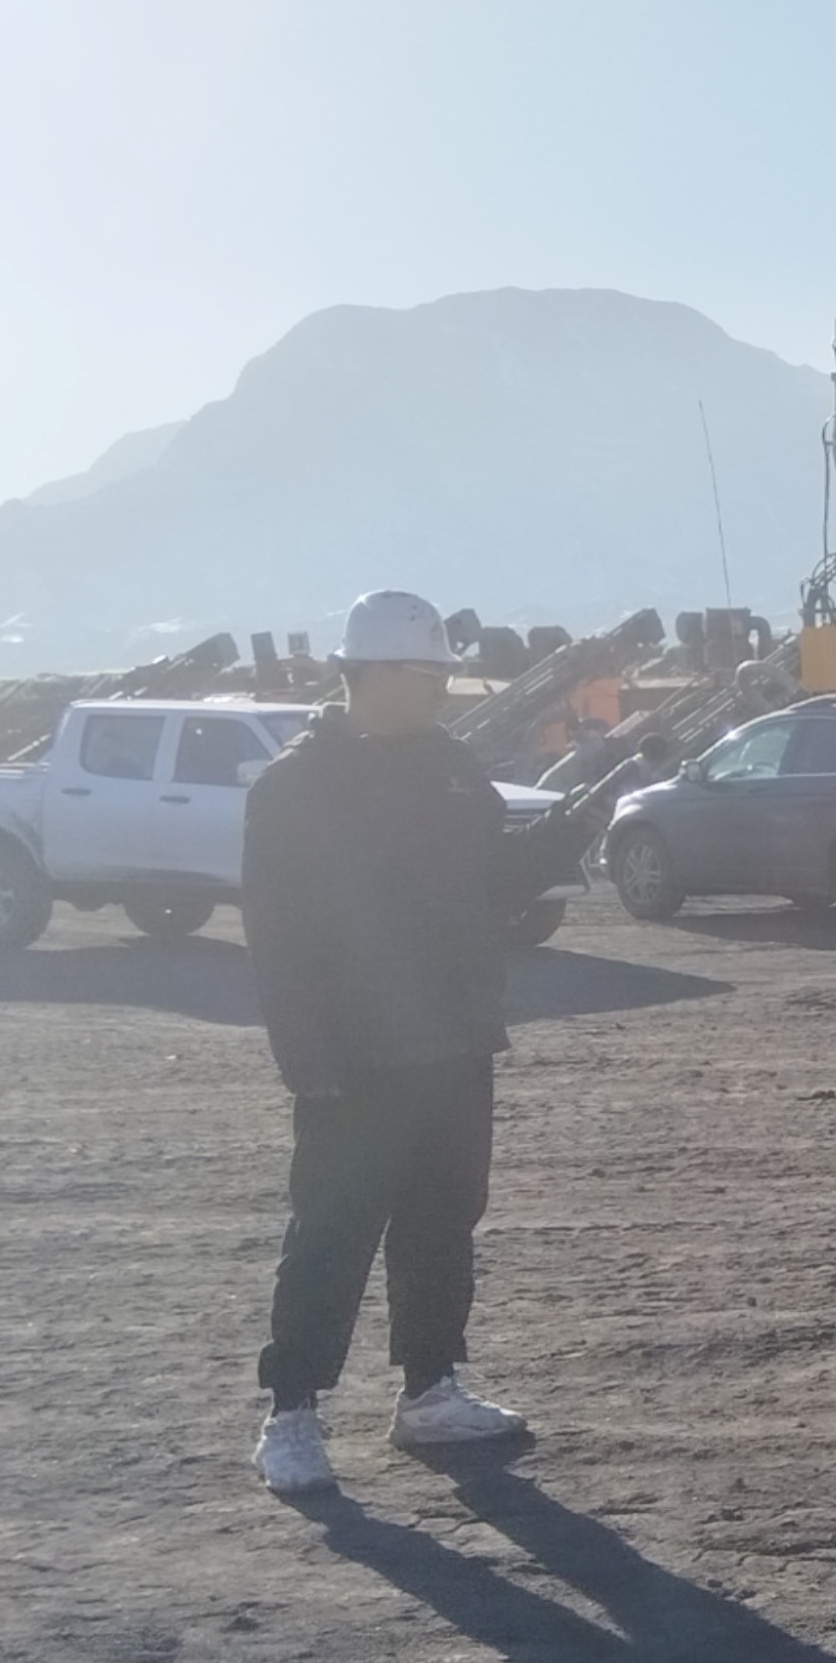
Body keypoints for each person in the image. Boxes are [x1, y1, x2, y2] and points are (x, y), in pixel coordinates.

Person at [245, 589, 632, 1497]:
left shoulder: (450, 768)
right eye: (426, 674)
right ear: (372, 672)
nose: (438, 691)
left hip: (453, 1043)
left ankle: (429, 1390)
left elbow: (493, 883)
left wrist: (571, 829)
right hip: (354, 1057)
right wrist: (305, 1056)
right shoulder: (296, 786)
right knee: (332, 1233)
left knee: (442, 1223)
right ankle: (291, 1413)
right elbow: (276, 935)